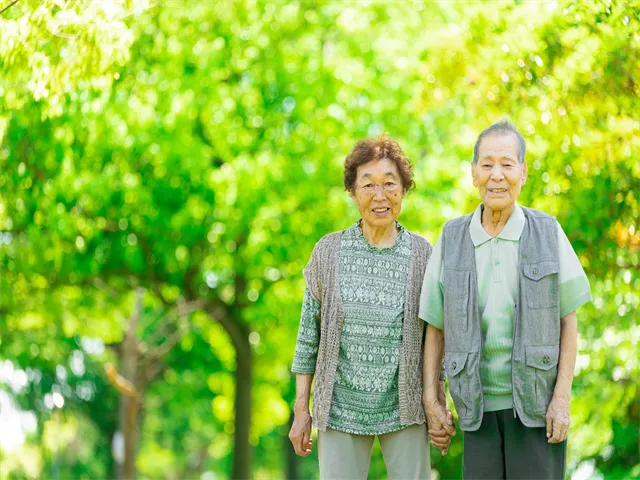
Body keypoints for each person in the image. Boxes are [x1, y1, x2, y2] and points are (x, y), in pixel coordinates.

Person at [420, 120, 592, 479]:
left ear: (523, 172)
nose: (497, 175)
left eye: (507, 164)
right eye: (487, 164)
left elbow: (568, 320)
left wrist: (561, 399)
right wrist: (431, 399)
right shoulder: (452, 238)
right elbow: (434, 328)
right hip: (475, 407)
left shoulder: (547, 231)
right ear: (473, 174)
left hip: (536, 407)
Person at [289, 135, 450, 480]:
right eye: (368, 185)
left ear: (404, 190)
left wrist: (437, 401)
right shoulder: (328, 252)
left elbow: (437, 336)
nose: (380, 196)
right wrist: (301, 409)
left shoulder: (424, 255)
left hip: (404, 406)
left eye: (390, 184)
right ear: (352, 192)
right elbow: (307, 337)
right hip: (339, 407)